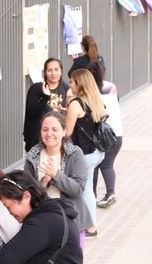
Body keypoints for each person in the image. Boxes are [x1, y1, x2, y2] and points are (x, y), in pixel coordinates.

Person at [24, 111, 91, 248]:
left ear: (64, 131)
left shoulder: (75, 153)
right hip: (44, 221)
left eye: (55, 129)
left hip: (72, 221)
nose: (49, 134)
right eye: (45, 129)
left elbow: (77, 189)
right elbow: (28, 193)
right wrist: (45, 181)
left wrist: (56, 175)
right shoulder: (33, 155)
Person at [66, 69, 107, 237]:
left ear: (79, 84)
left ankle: (89, 226)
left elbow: (67, 132)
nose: (69, 85)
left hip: (84, 155)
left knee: (82, 190)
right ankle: (91, 225)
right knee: (88, 188)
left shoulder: (76, 103)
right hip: (97, 151)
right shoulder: (95, 99)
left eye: (72, 82)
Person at [87, 60, 123, 209]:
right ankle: (110, 192)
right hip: (117, 132)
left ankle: (92, 195)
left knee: (95, 165)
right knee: (107, 165)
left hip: (101, 134)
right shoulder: (111, 86)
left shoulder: (89, 91)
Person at [23, 58, 69, 152]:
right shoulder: (36, 89)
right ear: (45, 73)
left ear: (61, 71)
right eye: (50, 70)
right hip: (37, 139)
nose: (53, 73)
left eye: (56, 70)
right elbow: (32, 112)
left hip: (57, 138)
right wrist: (45, 96)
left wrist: (65, 111)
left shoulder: (66, 88)